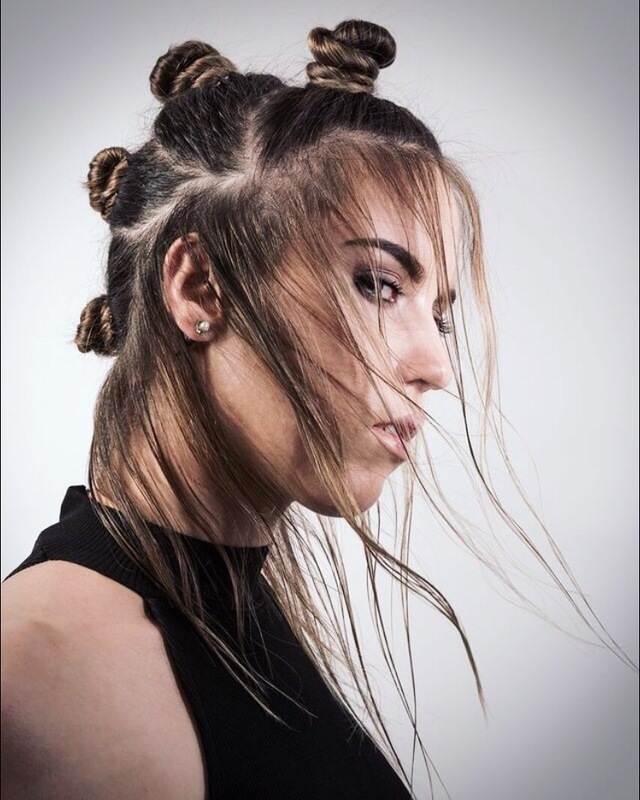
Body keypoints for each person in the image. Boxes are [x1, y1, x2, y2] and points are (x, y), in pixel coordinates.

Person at [1, 18, 632, 800]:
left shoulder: (228, 616)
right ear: (198, 289)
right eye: (378, 285)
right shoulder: (42, 676)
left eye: (438, 315)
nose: (436, 366)